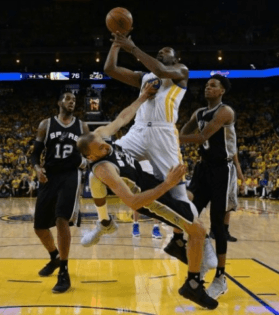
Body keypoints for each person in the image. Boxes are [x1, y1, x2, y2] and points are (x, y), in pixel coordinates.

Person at [77, 83, 218, 310]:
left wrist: (142, 98)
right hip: (150, 199)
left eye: (104, 143)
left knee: (189, 196)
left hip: (150, 182)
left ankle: (177, 241)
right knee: (199, 231)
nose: (106, 147)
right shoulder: (103, 169)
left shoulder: (98, 137)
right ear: (91, 156)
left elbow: (122, 118)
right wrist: (167, 183)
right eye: (101, 149)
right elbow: (133, 202)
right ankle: (193, 284)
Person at [83, 31, 191, 244]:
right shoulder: (145, 77)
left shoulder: (181, 70)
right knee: (97, 169)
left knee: (177, 193)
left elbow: (160, 69)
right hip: (138, 131)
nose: (160, 54)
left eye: (165, 52)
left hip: (163, 133)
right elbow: (109, 69)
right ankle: (104, 222)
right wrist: (116, 44)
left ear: (175, 59)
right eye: (158, 52)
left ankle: (183, 238)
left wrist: (131, 47)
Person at [178, 74, 245, 299]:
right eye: (207, 84)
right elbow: (183, 131)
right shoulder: (198, 113)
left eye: (213, 85)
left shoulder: (226, 112)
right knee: (188, 212)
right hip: (203, 168)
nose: (208, 87)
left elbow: (200, 136)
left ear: (222, 91)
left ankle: (221, 277)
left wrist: (174, 139)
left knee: (219, 225)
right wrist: (173, 135)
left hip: (222, 171)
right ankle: (206, 253)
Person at [30, 91, 89, 293]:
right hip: (49, 176)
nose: (72, 102)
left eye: (74, 100)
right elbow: (35, 155)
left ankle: (63, 271)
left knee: (61, 220)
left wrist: (83, 162)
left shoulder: (82, 126)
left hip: (70, 176)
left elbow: (88, 154)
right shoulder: (46, 125)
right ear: (59, 102)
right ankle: (54, 256)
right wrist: (37, 169)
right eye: (68, 99)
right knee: (39, 227)